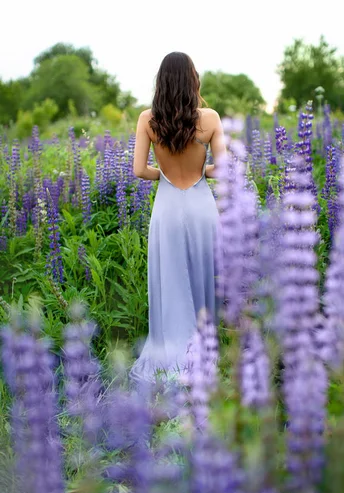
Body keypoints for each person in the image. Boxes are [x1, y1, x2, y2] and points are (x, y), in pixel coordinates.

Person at [129, 51, 226, 386]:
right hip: (201, 205)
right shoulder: (210, 118)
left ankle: (171, 351)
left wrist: (166, 176)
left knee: (169, 278)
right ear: (192, 79)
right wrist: (201, 170)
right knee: (203, 277)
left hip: (167, 208)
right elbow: (224, 170)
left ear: (162, 82)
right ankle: (204, 354)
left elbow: (139, 170)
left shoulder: (147, 119)